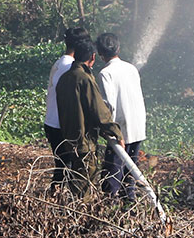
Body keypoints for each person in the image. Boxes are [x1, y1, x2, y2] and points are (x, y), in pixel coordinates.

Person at [54, 38, 122, 198]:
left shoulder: (64, 78)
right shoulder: (84, 79)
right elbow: (99, 111)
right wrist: (115, 131)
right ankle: (79, 216)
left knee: (74, 178)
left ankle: (70, 211)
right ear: (92, 57)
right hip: (83, 141)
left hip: (68, 138)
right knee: (84, 184)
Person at [96, 32, 146, 201]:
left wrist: (105, 128)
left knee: (113, 171)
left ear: (100, 53)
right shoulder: (131, 68)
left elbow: (107, 105)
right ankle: (129, 204)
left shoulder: (105, 73)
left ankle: (112, 206)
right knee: (131, 169)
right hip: (137, 125)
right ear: (118, 48)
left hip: (120, 129)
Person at [43, 26, 89, 191]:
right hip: (61, 125)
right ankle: (58, 203)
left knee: (62, 166)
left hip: (53, 122)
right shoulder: (69, 67)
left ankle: (56, 200)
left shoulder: (60, 62)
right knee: (66, 167)